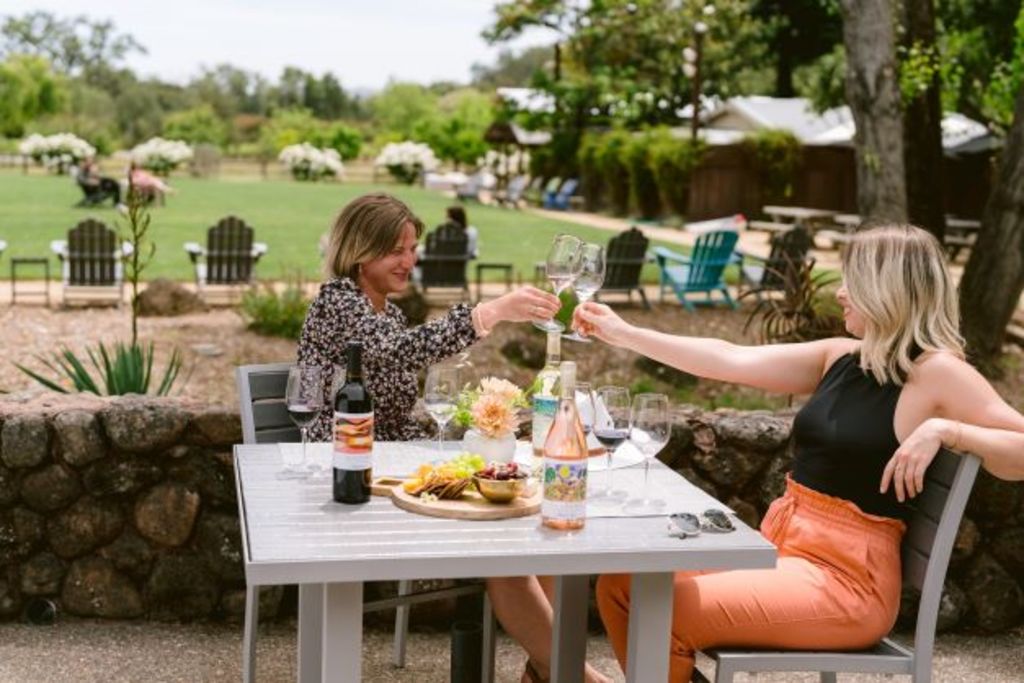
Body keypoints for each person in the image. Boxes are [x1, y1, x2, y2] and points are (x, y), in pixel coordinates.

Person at [564, 224, 1024, 683]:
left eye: (853, 281)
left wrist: (950, 430)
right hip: (784, 549)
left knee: (660, 607)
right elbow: (729, 358)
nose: (841, 293)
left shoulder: (938, 374)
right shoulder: (843, 357)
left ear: (888, 290)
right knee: (624, 585)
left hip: (846, 584)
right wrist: (624, 333)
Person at [297, 192, 559, 443]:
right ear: (360, 253)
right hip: (343, 455)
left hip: (390, 453)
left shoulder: (390, 315)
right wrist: (489, 313)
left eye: (412, 249)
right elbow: (398, 350)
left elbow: (396, 420)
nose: (410, 262)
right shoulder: (337, 301)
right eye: (397, 251)